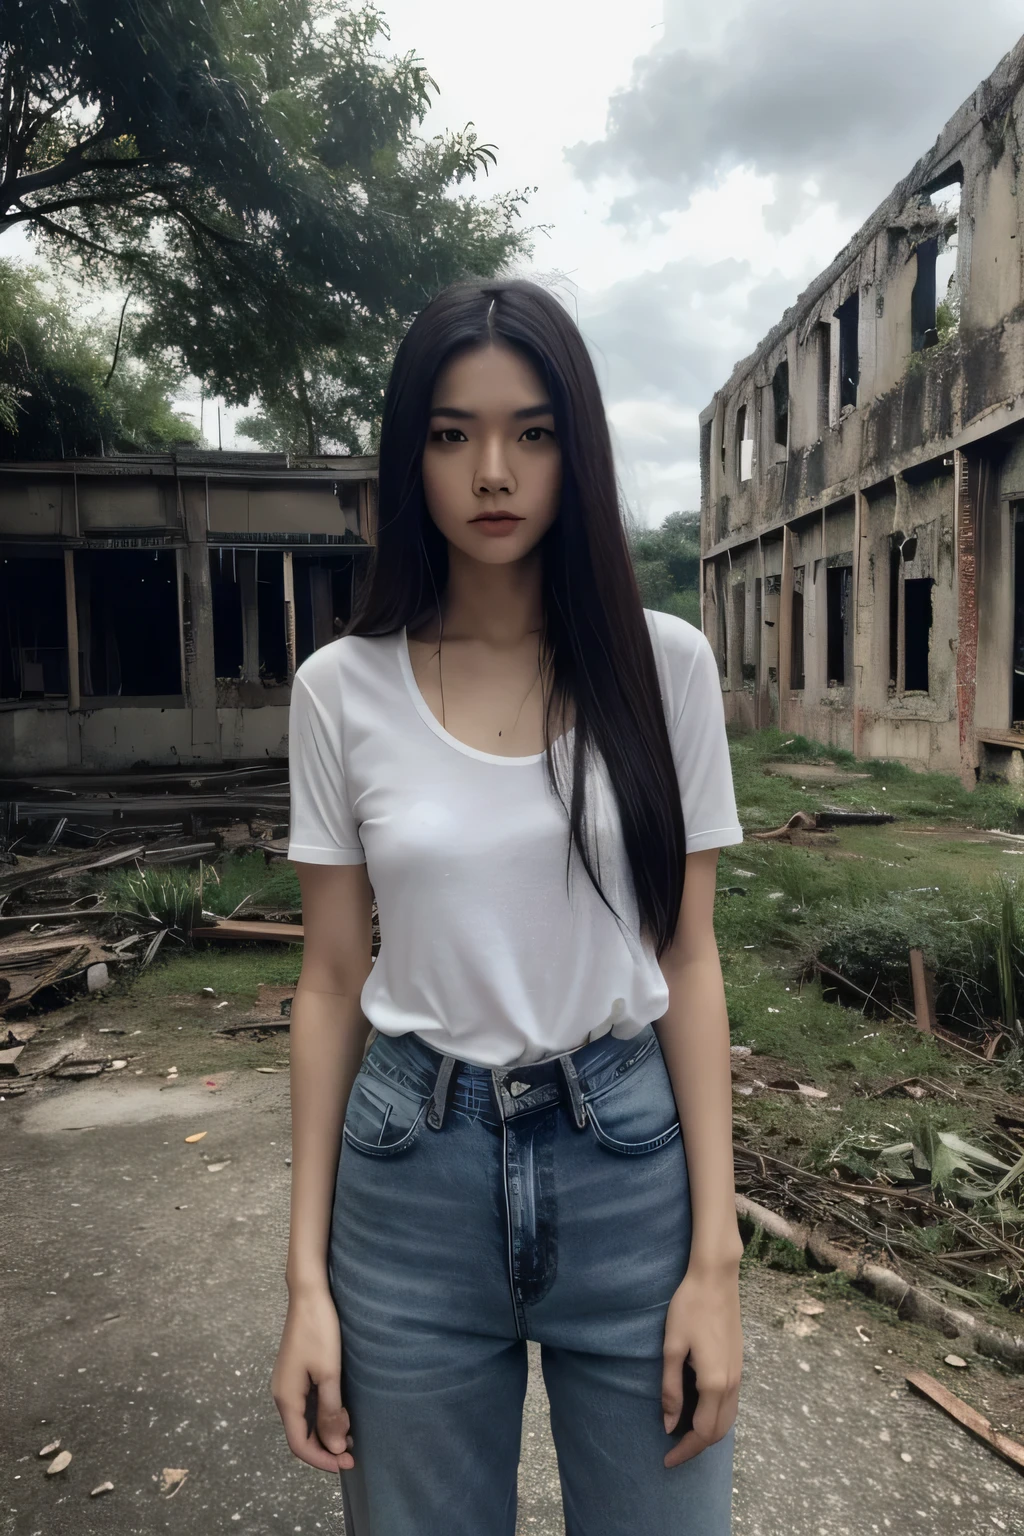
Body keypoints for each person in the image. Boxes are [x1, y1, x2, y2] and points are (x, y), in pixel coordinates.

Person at [272, 278, 745, 1536]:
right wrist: (303, 1282)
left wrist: (716, 1261)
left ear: (574, 451)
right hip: (408, 1179)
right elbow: (326, 983)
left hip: (626, 1167)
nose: (492, 470)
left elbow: (687, 957)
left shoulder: (666, 668)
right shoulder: (340, 691)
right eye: (450, 432)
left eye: (531, 432)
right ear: (408, 453)